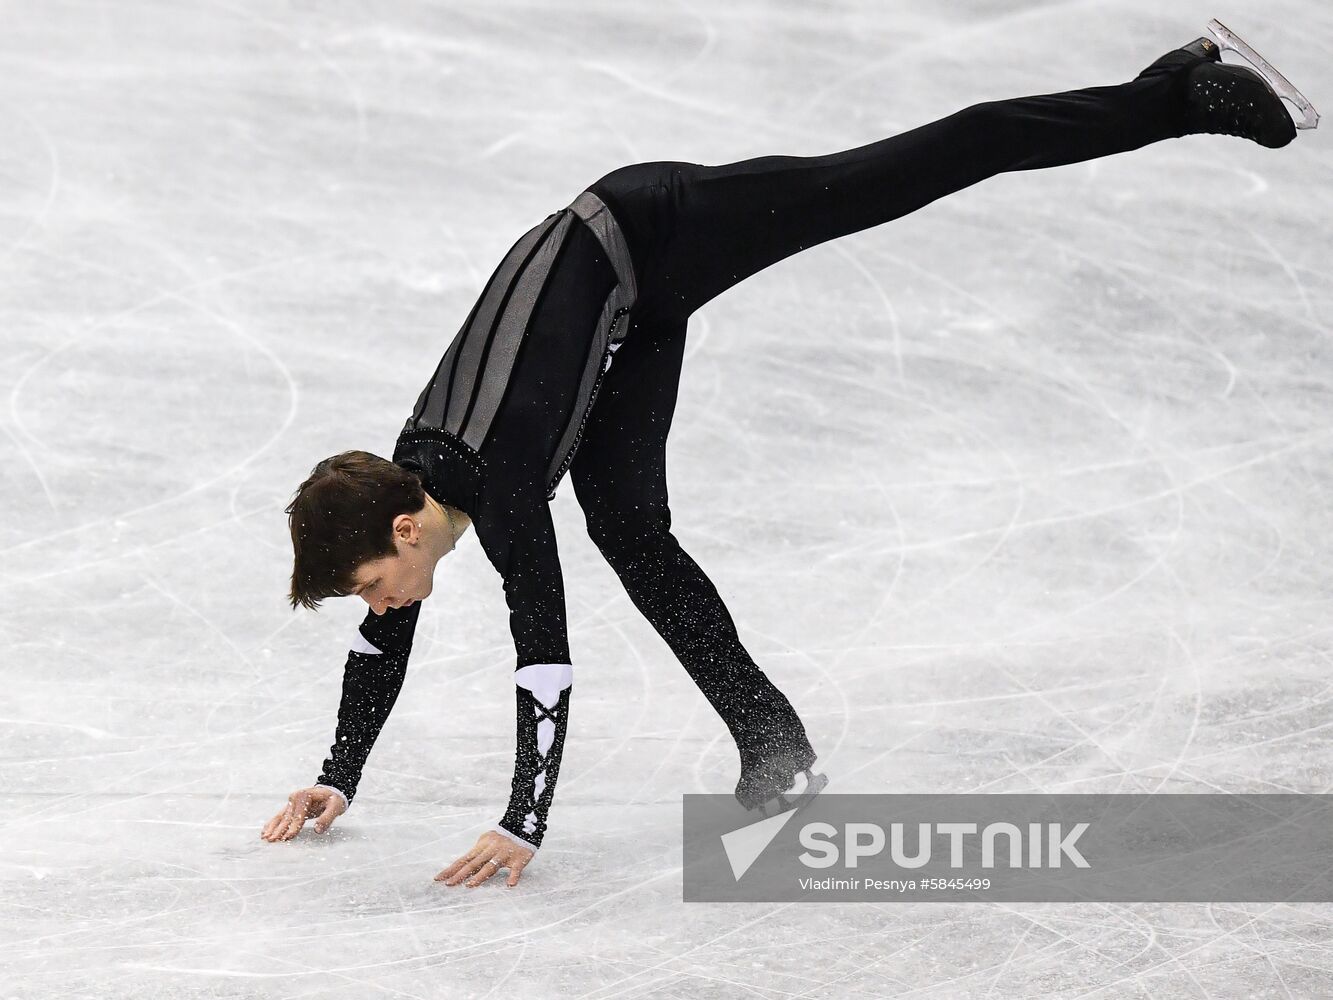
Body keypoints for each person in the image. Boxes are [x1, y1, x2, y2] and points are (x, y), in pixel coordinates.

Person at [260, 25, 1314, 888]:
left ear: (405, 529)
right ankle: (775, 745)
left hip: (654, 228)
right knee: (629, 533)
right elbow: (383, 644)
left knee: (919, 164)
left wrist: (521, 822)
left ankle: (1175, 95)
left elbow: (543, 657)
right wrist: (337, 776)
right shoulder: (412, 484)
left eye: (372, 584)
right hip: (625, 318)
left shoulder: (496, 489)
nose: (381, 604)